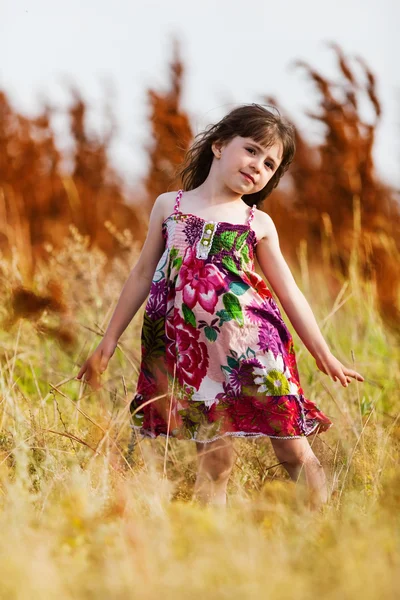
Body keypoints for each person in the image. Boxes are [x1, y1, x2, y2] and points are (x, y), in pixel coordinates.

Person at [76, 103, 364, 510]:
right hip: (193, 357)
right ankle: (214, 550)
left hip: (256, 353)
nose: (258, 166)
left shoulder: (256, 223)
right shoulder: (169, 206)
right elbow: (142, 275)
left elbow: (290, 293)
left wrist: (324, 353)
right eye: (251, 150)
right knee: (215, 462)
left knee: (292, 449)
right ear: (218, 145)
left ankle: (324, 529)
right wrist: (107, 342)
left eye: (269, 163)